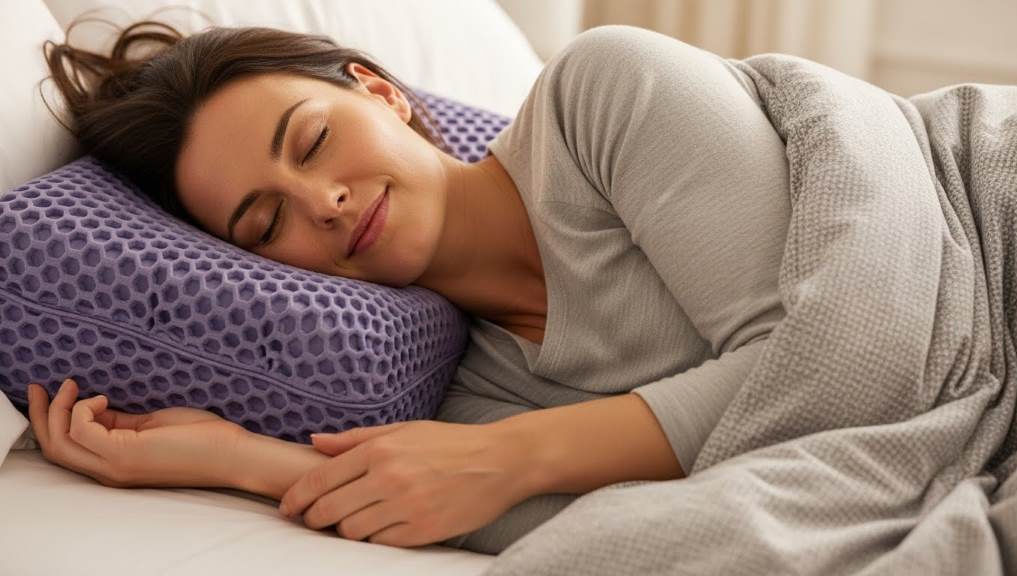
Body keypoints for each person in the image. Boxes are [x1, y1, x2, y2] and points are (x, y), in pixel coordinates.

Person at [27, 16, 791, 555]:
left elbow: (838, 346)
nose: (323, 202)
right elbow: (631, 534)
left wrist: (516, 458)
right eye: (266, 224)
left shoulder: (603, 93)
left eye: (314, 140)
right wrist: (234, 459)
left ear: (380, 92)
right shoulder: (473, 402)